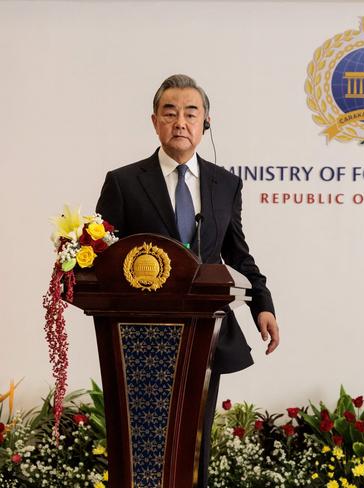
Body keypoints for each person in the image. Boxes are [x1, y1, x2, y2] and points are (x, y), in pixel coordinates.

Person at [96, 74, 280, 487]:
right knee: (141, 443)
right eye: (170, 112)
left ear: (205, 123)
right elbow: (100, 258)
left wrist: (262, 304)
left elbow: (237, 252)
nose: (180, 121)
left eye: (190, 113)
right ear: (155, 122)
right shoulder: (123, 182)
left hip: (204, 333)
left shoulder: (224, 184)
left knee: (193, 442)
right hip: (140, 337)